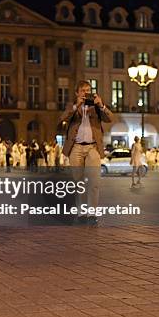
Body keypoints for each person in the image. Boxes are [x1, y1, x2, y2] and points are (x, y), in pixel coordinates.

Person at [59, 81, 113, 226]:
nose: (85, 93)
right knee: (79, 183)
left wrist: (100, 105)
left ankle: (92, 214)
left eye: (88, 90)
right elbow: (63, 118)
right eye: (82, 90)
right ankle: (82, 212)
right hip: (75, 148)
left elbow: (110, 118)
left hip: (92, 148)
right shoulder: (72, 107)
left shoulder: (96, 107)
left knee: (94, 182)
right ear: (77, 93)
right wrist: (76, 106)